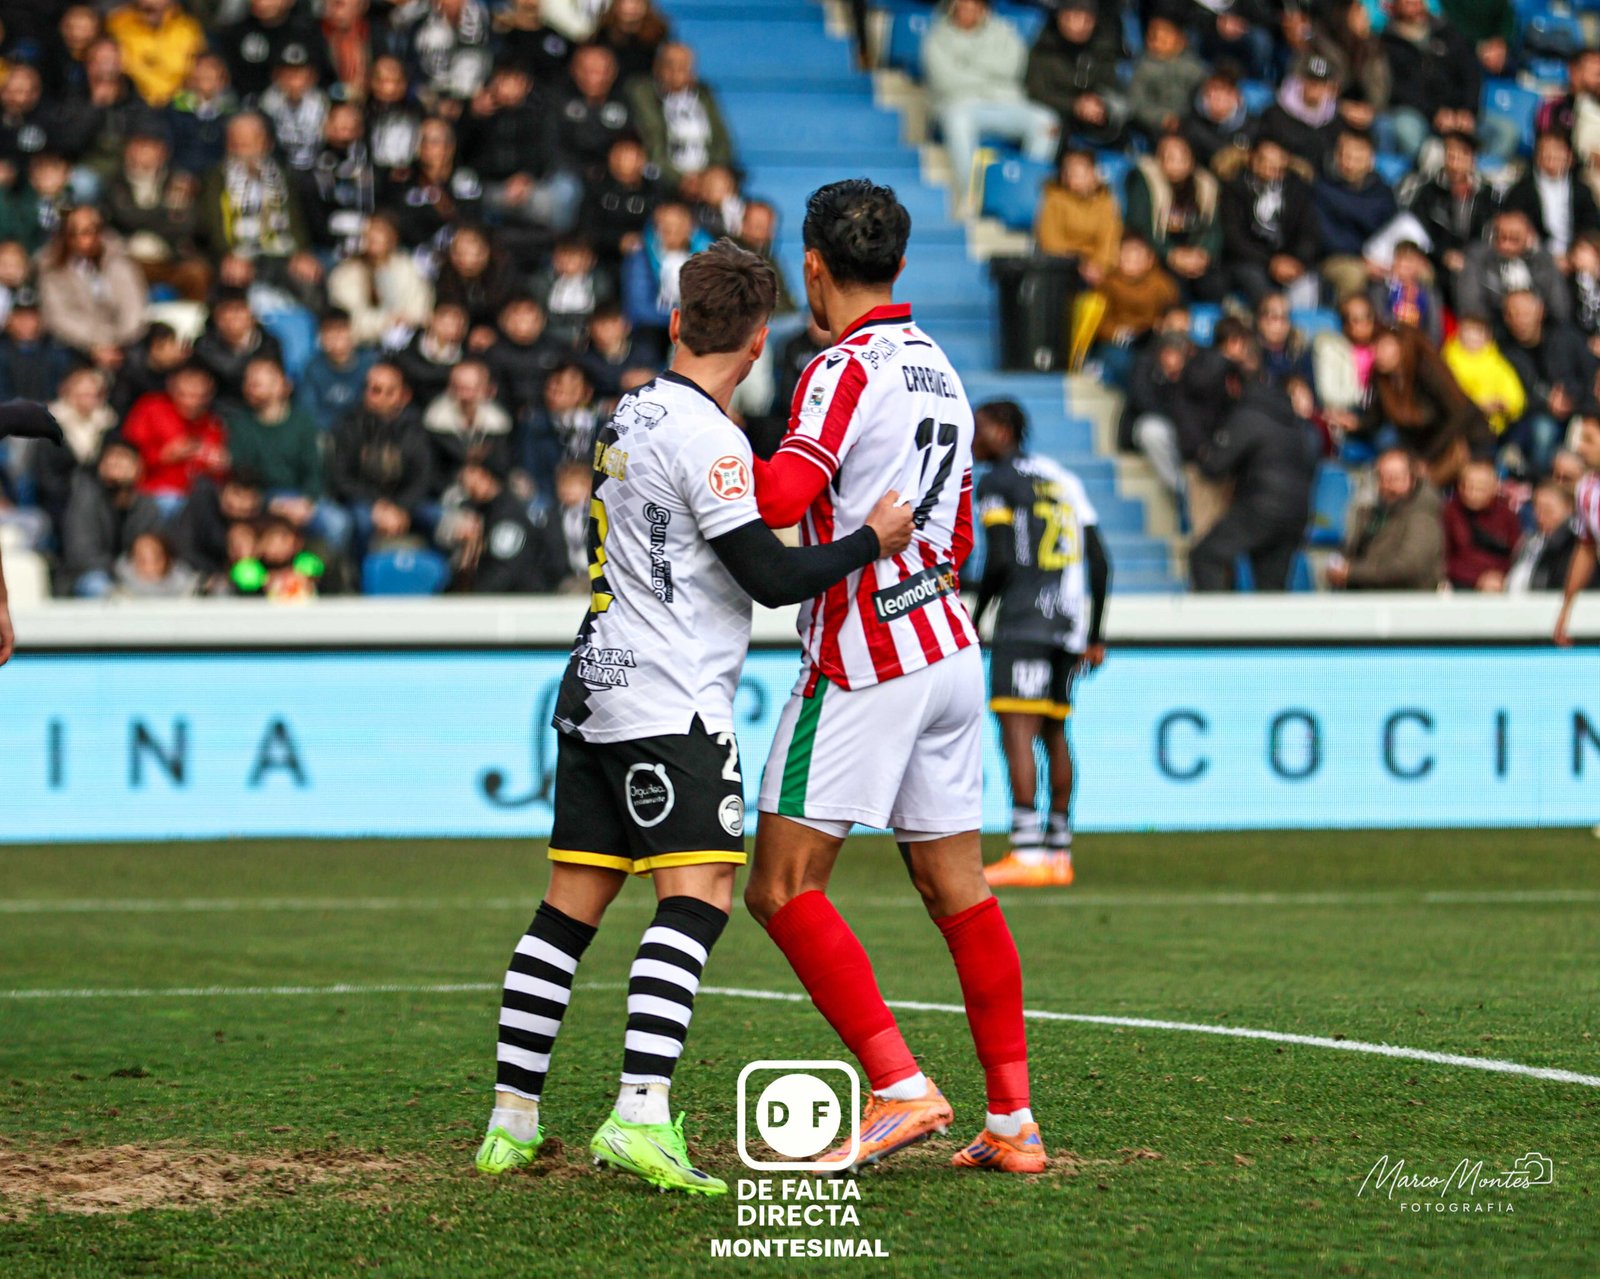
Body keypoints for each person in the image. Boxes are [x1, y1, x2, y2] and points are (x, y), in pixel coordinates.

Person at [475, 239, 914, 1192]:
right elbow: (769, 578)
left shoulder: (629, 407)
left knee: (567, 909)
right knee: (699, 897)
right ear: (758, 344)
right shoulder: (712, 437)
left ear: (678, 322)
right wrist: (868, 540)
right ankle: (639, 1112)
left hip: (595, 683)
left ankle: (511, 1119)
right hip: (669, 702)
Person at [743, 179, 1046, 1176]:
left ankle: (898, 1085)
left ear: (811, 266)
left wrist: (702, 451)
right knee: (956, 887)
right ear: (902, 267)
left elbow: (785, 492)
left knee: (782, 887)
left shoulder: (839, 367)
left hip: (863, 657)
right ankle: (1012, 1121)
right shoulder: (939, 370)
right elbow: (956, 534)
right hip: (948, 646)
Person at [971, 400, 1109, 888]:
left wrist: (977, 616)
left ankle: (1027, 850)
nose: (972, 436)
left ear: (1004, 431)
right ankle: (1058, 851)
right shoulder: (1061, 477)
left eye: (980, 427)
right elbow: (1098, 555)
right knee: (1054, 732)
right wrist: (1094, 633)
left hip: (1024, 620)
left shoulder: (996, 483)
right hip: (1068, 623)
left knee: (1016, 730)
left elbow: (1001, 559)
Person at [1188, 357, 1318, 592]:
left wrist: (1204, 453)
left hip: (1262, 506)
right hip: (1298, 511)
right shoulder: (1289, 418)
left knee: (1206, 556)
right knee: (1271, 588)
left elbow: (1214, 467)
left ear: (1233, 385)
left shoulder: (1247, 414)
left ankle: (1214, 626)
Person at [922, 0, 1058, 208]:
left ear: (984, 8)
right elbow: (945, 81)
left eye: (975, 5)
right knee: (957, 120)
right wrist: (990, 75)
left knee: (1046, 122)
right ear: (953, 6)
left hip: (1007, 103)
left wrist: (967, 64)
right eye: (963, 5)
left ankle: (1023, 191)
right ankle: (971, 196)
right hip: (960, 103)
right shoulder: (937, 36)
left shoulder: (1003, 30)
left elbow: (1015, 67)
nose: (969, 10)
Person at [1325, 447, 1445, 590]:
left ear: (1412, 479)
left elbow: (1406, 568)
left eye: (1394, 479)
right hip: (1368, 598)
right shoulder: (1375, 512)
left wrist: (1351, 573)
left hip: (1402, 602)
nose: (1386, 486)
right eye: (1381, 478)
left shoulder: (1424, 517)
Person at [1554, 412, 1600, 644]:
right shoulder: (1586, 490)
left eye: (1588, 440)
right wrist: (1566, 609)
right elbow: (1586, 549)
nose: (1580, 448)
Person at [1443, 458, 1521, 591]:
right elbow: (1441, 555)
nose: (1471, 493)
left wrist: (1500, 576)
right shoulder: (1449, 512)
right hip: (1456, 581)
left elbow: (1517, 555)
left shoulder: (1507, 516)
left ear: (1495, 488)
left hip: (1496, 583)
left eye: (1480, 488)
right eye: (1466, 486)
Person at [1508, 480, 1582, 592]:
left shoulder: (1572, 542)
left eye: (1548, 509)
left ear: (1568, 508)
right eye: (1537, 508)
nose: (1541, 515)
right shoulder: (1529, 539)